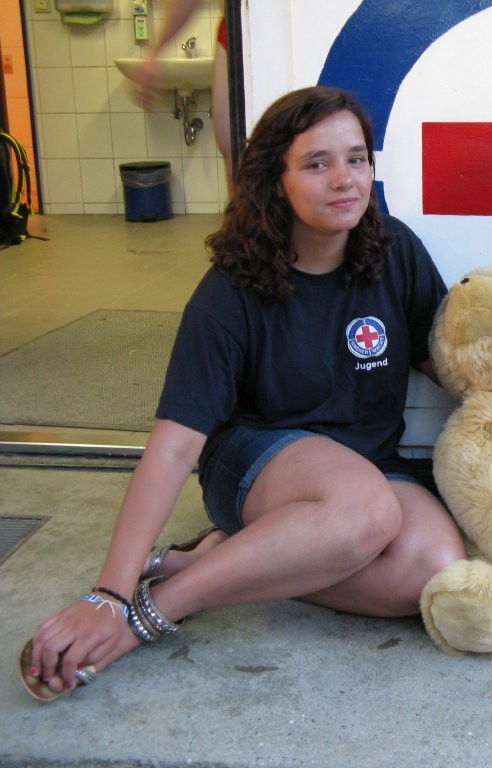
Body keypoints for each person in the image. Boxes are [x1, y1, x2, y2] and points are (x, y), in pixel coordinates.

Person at [21, 86, 466, 698]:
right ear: (274, 178)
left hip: (369, 464)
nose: (344, 179)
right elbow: (173, 450)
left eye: (357, 158)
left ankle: (220, 561)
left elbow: (445, 363)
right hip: (256, 461)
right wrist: (110, 594)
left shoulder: (395, 251)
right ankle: (157, 611)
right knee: (366, 512)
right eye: (317, 163)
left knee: (435, 572)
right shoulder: (230, 289)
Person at [130, 0, 233, 186]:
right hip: (235, 29)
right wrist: (154, 53)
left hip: (278, 24)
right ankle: (246, 215)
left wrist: (155, 53)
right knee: (236, 152)